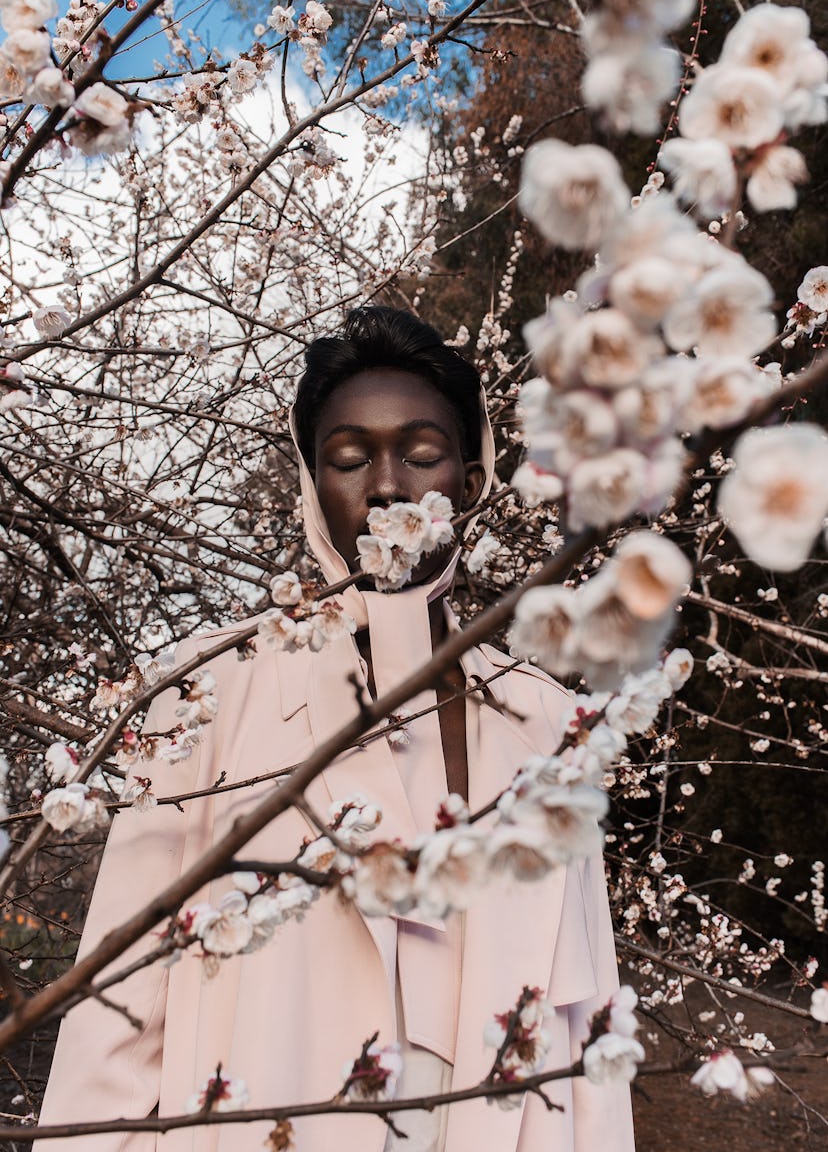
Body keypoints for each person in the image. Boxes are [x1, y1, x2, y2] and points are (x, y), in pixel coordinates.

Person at [39, 307, 635, 1151]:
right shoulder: (208, 696)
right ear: (313, 483)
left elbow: (586, 1022)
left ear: (470, 478)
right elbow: (117, 1019)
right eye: (349, 458)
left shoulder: (546, 724)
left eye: (420, 453)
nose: (387, 486)